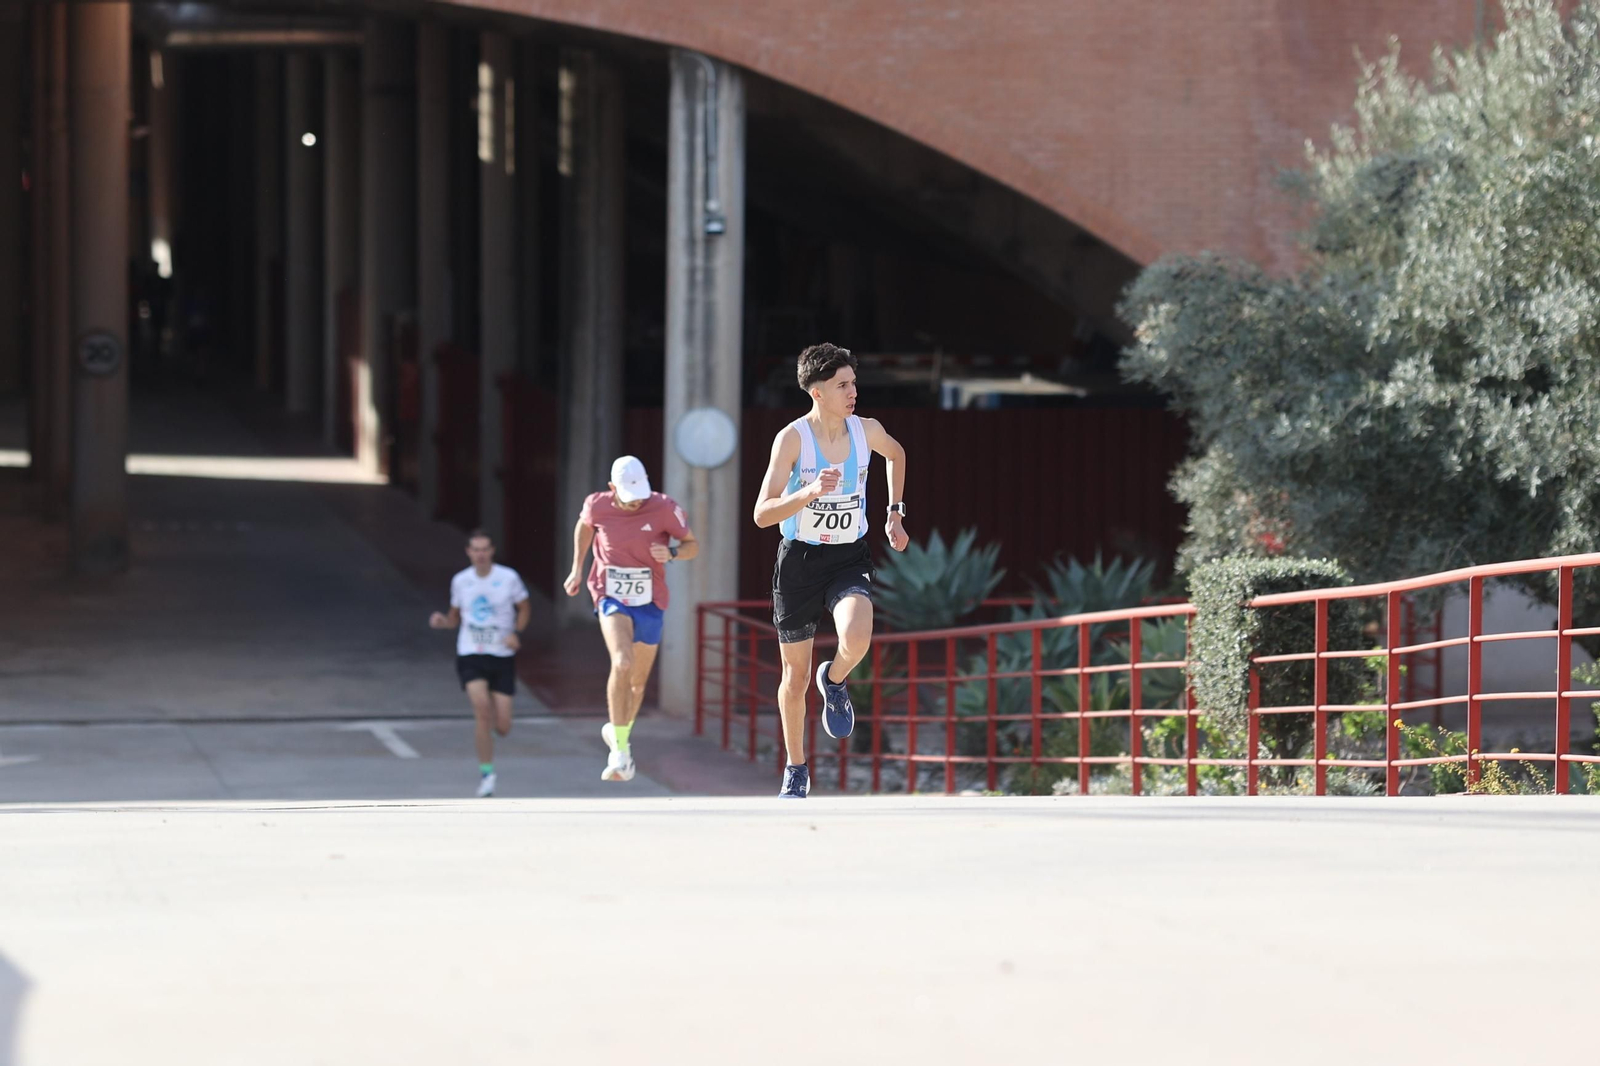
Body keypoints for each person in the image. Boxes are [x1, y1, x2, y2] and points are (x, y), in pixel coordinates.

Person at [753, 343, 909, 799]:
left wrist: (895, 512)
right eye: (843, 384)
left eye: (854, 382)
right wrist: (806, 494)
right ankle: (796, 769)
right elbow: (763, 513)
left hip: (848, 556)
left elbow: (897, 455)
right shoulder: (793, 439)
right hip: (800, 561)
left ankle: (836, 679)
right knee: (794, 676)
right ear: (817, 391)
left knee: (858, 635)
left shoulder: (867, 431)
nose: (853, 391)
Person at [564, 456, 699, 782]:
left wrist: (673, 553)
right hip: (610, 594)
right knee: (622, 662)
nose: (636, 501)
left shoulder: (664, 507)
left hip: (650, 600)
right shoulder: (597, 505)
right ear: (612, 489)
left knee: (637, 683)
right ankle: (620, 753)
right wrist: (576, 569)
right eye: (628, 496)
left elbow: (692, 545)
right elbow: (584, 527)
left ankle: (618, 732)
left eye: (639, 494)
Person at [429, 529, 531, 797]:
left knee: (503, 726)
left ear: (492, 551)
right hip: (471, 652)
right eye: (476, 549)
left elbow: (525, 608)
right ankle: (487, 774)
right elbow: (454, 618)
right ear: (468, 552)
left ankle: (493, 732)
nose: (481, 554)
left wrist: (515, 634)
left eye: (485, 549)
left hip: (502, 655)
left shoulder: (508, 578)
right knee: (482, 710)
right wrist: (442, 622)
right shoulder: (461, 581)